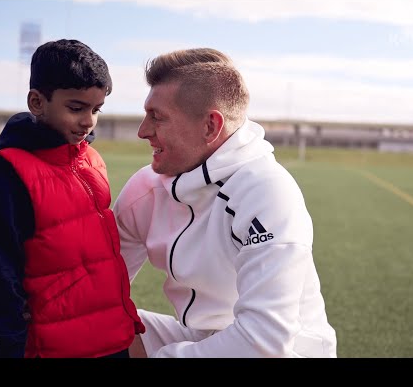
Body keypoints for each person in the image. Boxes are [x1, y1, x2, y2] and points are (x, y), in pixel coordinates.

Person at [113, 48, 337, 358]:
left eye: (157, 117)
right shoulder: (145, 188)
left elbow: (265, 342)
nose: (143, 131)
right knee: (94, 328)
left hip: (283, 352)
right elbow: (100, 290)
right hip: (199, 337)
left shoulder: (266, 191)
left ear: (210, 126)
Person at [0, 39, 145, 358]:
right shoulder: (11, 172)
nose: (88, 121)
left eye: (96, 110)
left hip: (111, 338)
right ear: (37, 102)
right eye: (76, 108)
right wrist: (11, 343)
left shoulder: (92, 160)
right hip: (52, 347)